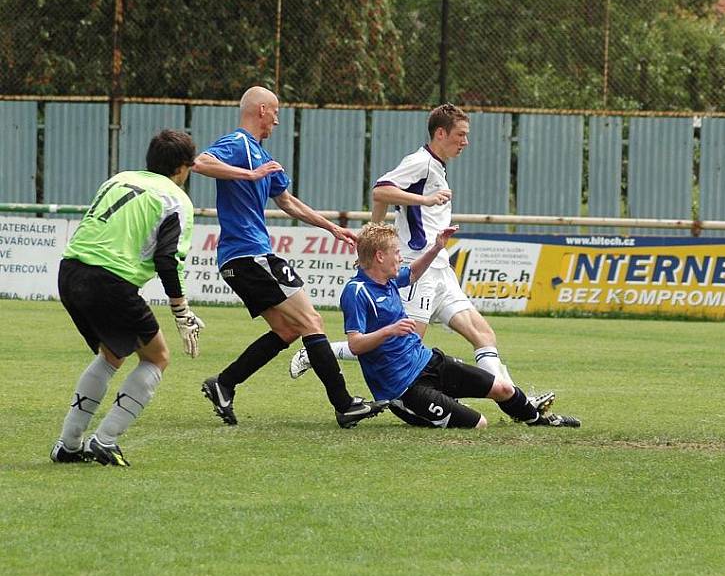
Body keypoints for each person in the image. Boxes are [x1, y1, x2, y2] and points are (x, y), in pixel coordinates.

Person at [192, 86, 386, 428]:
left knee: (286, 330)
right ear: (262, 110)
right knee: (312, 322)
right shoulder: (238, 144)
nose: (278, 120)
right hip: (249, 254)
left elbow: (288, 202)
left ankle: (224, 384)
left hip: (240, 259)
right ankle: (344, 404)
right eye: (276, 112)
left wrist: (332, 228)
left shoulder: (264, 159)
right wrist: (247, 174)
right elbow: (201, 162)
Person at [290, 104, 522, 391]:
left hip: (440, 269)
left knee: (483, 333)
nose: (466, 142)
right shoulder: (420, 162)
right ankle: (316, 353)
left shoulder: (435, 166)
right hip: (417, 270)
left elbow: (383, 198)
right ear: (440, 133)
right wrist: (425, 201)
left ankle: (514, 398)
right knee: (405, 345)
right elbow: (380, 191)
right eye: (460, 135)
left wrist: (371, 232)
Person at [50, 130, 203, 467]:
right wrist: (181, 310)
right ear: (182, 168)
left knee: (113, 353)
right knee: (157, 357)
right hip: (109, 281)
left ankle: (69, 445)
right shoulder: (176, 198)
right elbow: (167, 259)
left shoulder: (119, 178)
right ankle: (105, 441)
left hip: (70, 270)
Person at [340, 223, 580, 428]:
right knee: (479, 424)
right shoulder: (356, 291)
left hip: (429, 361)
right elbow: (356, 344)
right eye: (396, 252)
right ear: (380, 256)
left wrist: (436, 248)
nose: (400, 257)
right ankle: (443, 406)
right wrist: (389, 330)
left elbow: (412, 273)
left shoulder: (388, 280)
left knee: (503, 389)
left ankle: (539, 421)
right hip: (404, 390)